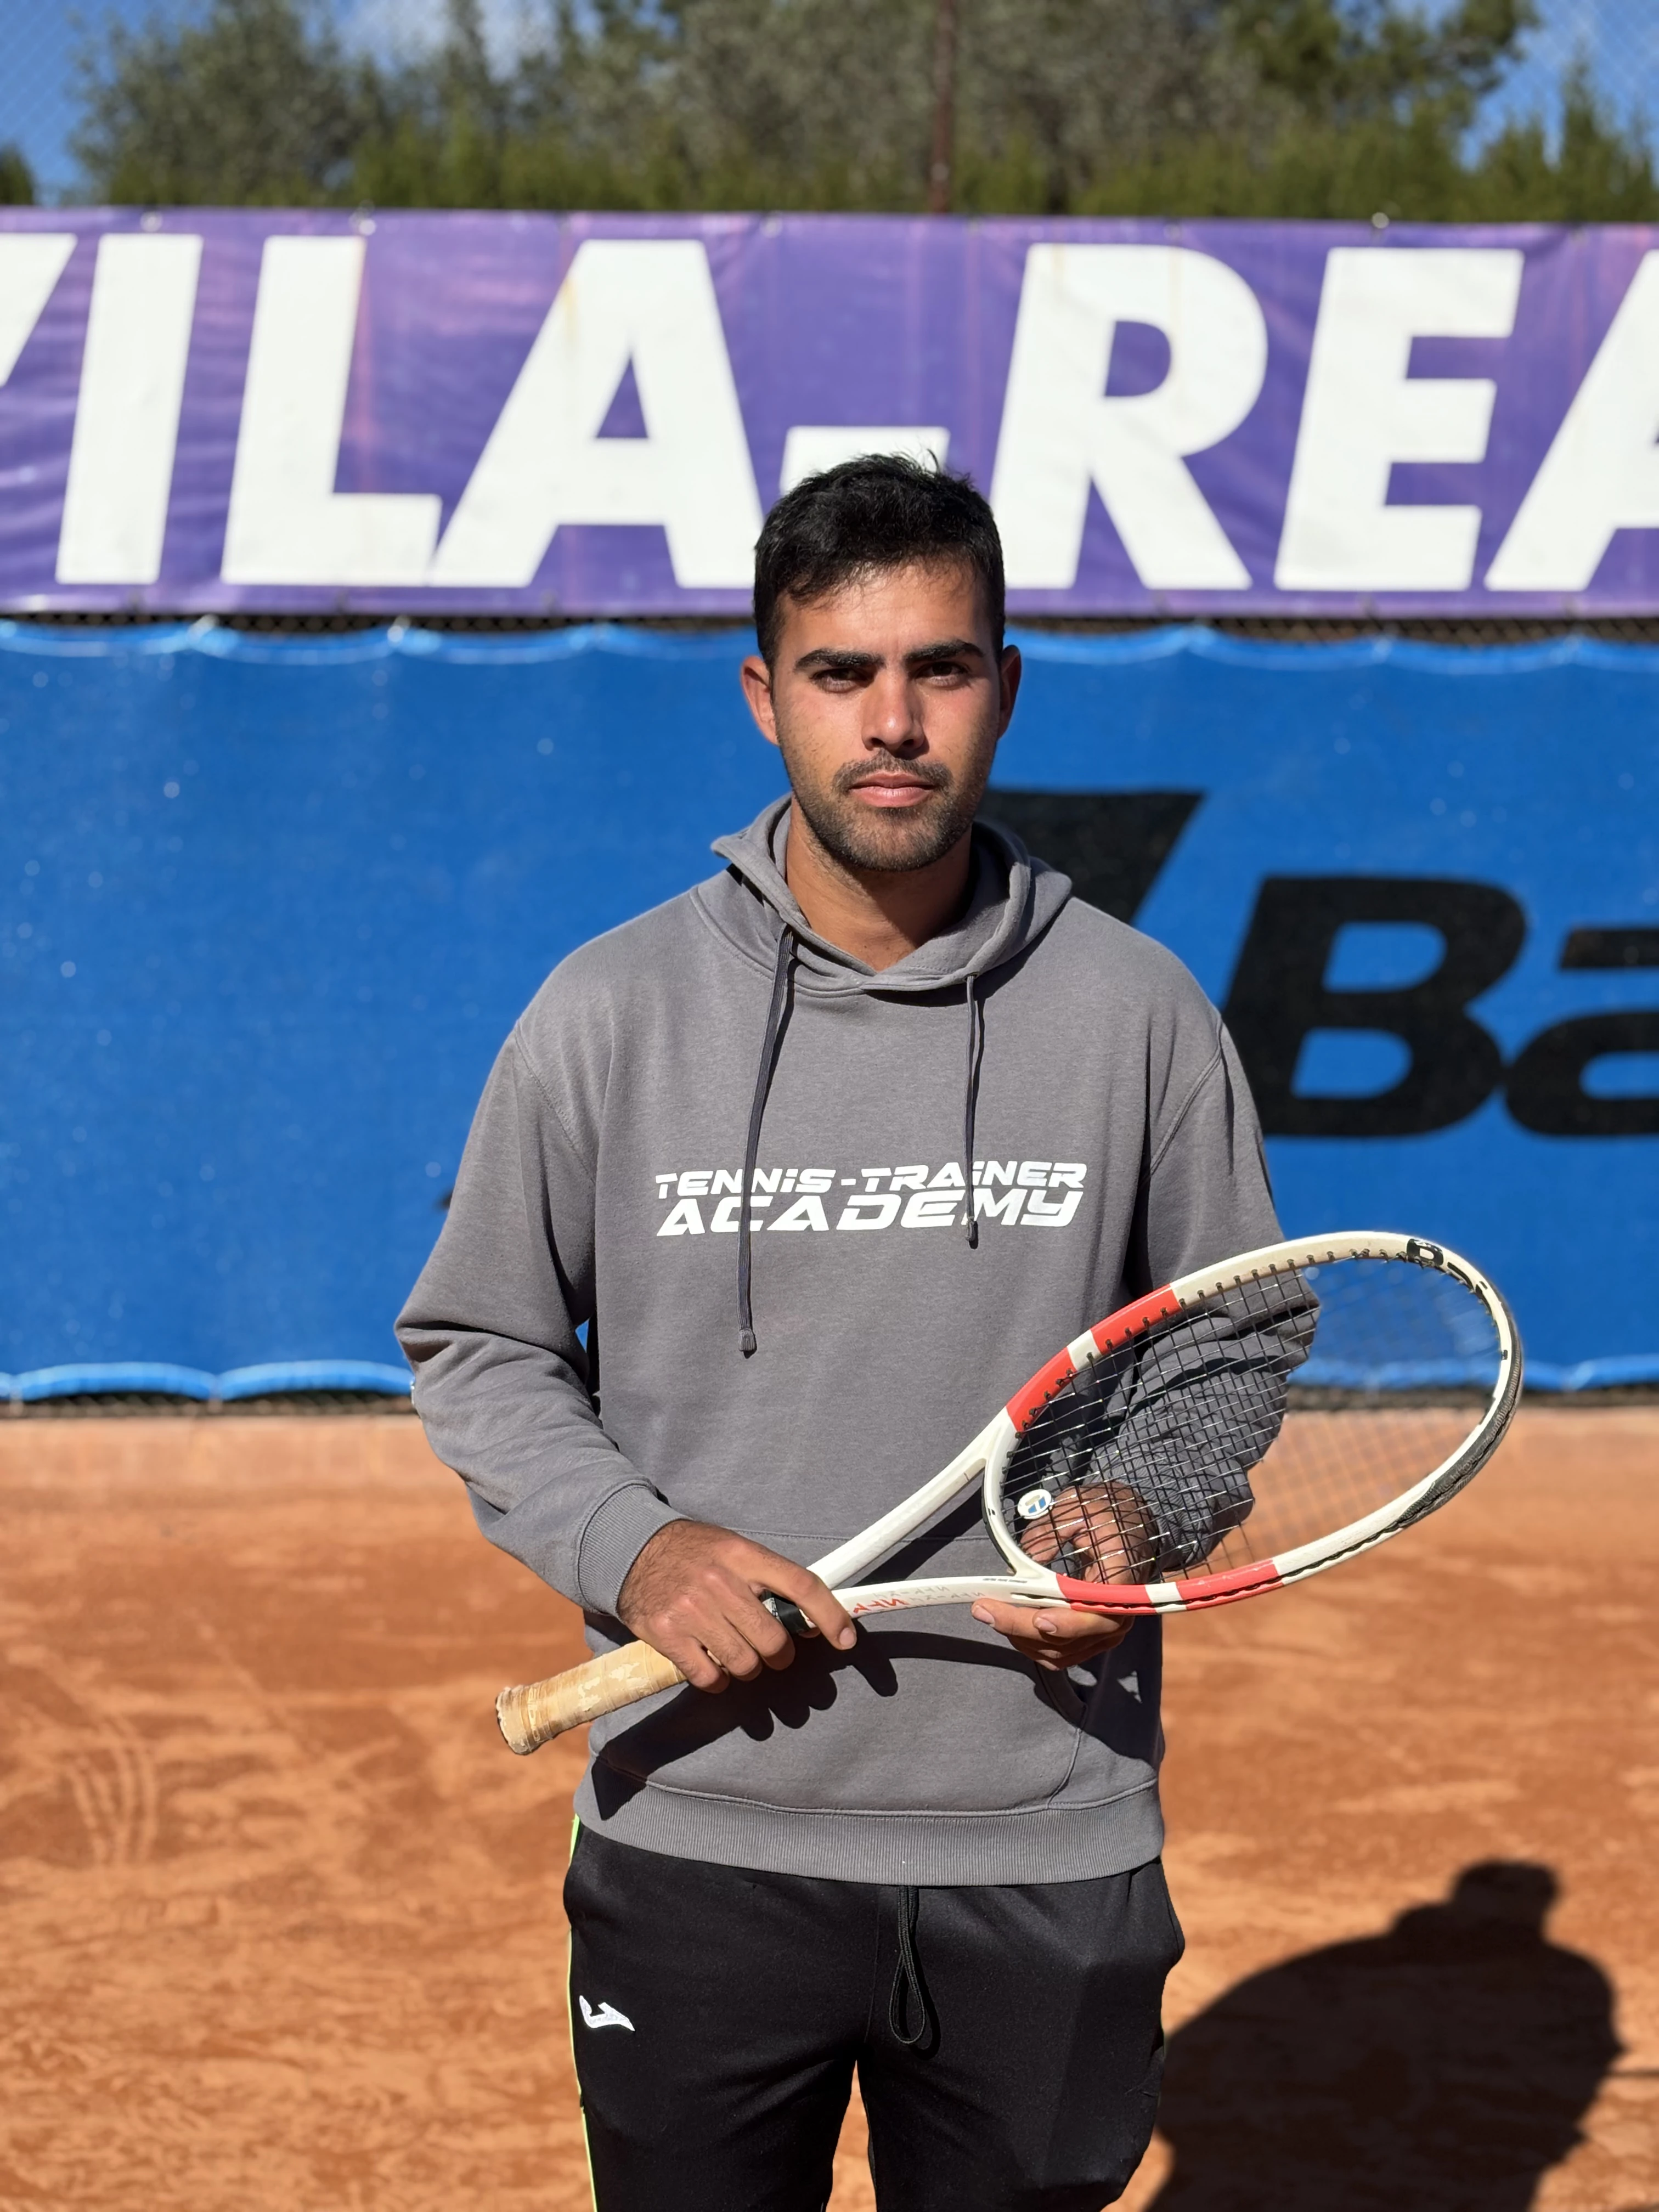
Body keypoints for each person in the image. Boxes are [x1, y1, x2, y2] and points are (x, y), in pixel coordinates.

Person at [397, 456, 1280, 2212]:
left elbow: (1231, 1337)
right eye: (841, 672)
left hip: (1046, 1843)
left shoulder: (1138, 1013)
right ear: (764, 694)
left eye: (941, 669)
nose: (895, 722)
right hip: (702, 1838)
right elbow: (481, 1336)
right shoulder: (611, 1011)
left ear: (1006, 686)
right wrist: (638, 1554)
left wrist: (1139, 1516)